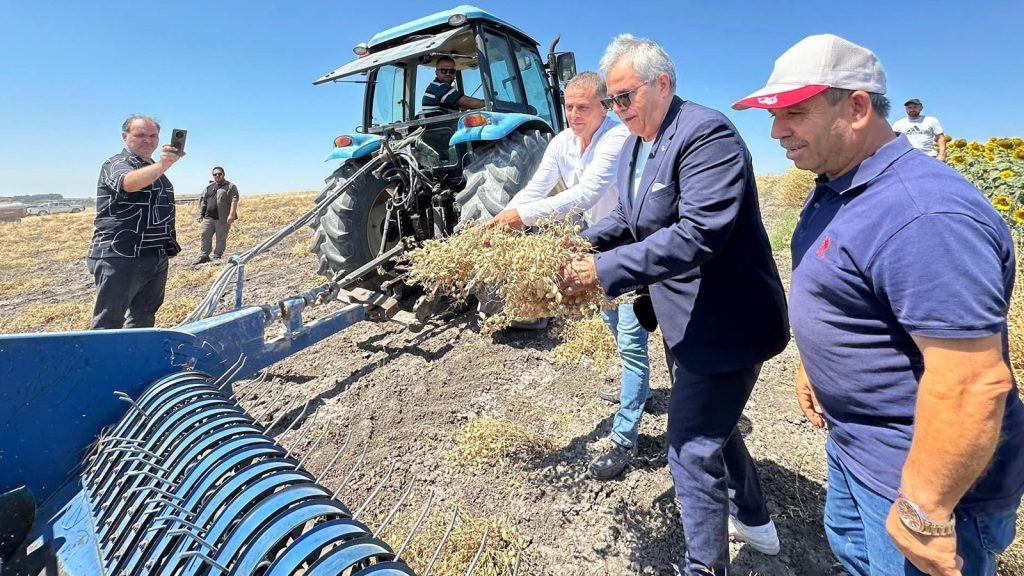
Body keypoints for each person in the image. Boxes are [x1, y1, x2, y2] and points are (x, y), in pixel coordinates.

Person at [733, 33, 1024, 576]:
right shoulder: (839, 184)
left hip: (920, 482)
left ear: (857, 107)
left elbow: (971, 383)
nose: (776, 132)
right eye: (774, 116)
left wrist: (924, 509)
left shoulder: (923, 214)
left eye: (794, 112)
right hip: (857, 450)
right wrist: (817, 362)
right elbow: (853, 295)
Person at [559, 35, 789, 574]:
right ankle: (756, 521)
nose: (617, 109)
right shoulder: (637, 144)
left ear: (661, 83)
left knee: (689, 448)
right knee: (712, 425)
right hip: (682, 318)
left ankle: (703, 565)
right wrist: (581, 244)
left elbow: (697, 234)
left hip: (725, 320)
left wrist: (601, 271)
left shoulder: (706, 134)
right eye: (612, 100)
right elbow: (630, 219)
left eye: (624, 97)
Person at [490, 71, 650, 480]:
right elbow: (536, 188)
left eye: (583, 107)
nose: (574, 115)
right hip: (593, 244)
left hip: (629, 245)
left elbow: (586, 193)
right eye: (568, 107)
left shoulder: (617, 138)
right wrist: (501, 217)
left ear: (604, 107)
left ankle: (624, 438)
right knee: (612, 325)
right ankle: (637, 388)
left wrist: (521, 217)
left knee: (631, 340)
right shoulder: (561, 142)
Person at [87, 114, 182, 329]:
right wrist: (163, 164)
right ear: (125, 137)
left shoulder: (153, 168)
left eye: (153, 135)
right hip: (121, 254)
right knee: (108, 322)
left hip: (154, 254)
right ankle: (105, 353)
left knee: (144, 318)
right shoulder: (116, 163)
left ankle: (136, 352)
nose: (147, 140)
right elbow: (128, 183)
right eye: (140, 135)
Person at [194, 166, 239, 264]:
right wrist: (200, 214)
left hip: (222, 218)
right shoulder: (209, 187)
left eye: (219, 174)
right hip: (208, 217)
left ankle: (217, 256)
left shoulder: (230, 186)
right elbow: (203, 201)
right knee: (205, 235)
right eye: (215, 174)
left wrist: (231, 214)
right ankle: (204, 255)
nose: (217, 176)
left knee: (221, 237)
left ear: (224, 174)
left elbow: (234, 200)